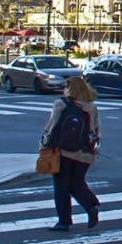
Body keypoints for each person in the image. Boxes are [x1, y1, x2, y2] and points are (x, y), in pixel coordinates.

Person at [39, 75, 101, 231]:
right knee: (77, 182)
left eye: (66, 87)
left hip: (63, 151)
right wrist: (94, 151)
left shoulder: (61, 104)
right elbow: (96, 130)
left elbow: (51, 126)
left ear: (71, 89)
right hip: (84, 152)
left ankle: (64, 221)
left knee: (61, 187)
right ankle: (90, 205)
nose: (63, 90)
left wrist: (43, 144)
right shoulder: (91, 106)